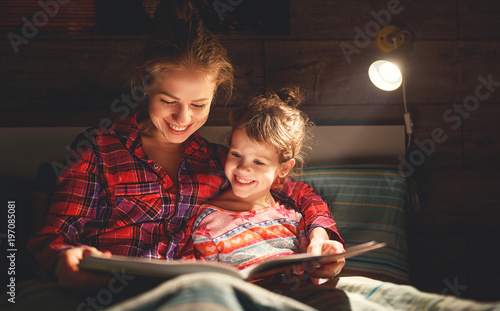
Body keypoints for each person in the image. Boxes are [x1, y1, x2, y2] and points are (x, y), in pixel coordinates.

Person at [2, 1, 344, 309]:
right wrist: (64, 260)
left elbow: (298, 192)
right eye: (168, 101)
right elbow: (51, 236)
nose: (183, 120)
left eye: (199, 105)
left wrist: (320, 236)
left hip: (199, 293)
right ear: (146, 85)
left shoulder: (221, 160)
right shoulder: (99, 148)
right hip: (118, 293)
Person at [189, 87, 345, 281]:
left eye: (259, 162)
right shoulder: (208, 223)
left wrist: (326, 258)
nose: (243, 168)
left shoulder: (295, 217)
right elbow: (207, 285)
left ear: (284, 168)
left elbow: (313, 274)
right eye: (236, 154)